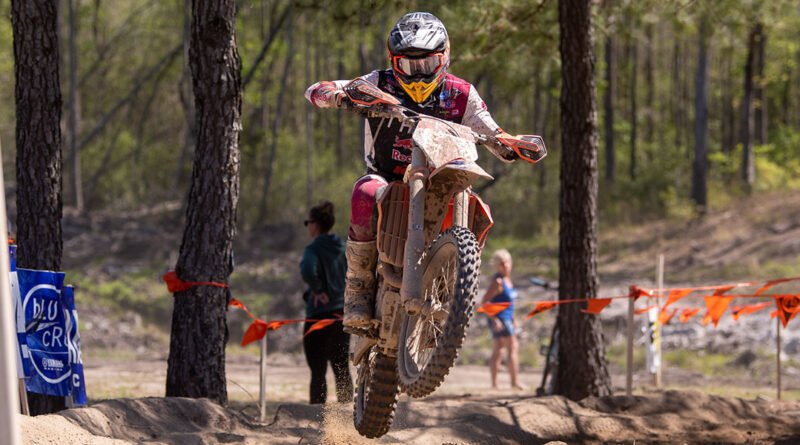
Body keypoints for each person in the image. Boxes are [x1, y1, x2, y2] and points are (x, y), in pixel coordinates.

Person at [305, 12, 520, 331]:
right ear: (394, 61)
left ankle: (455, 293)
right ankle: (358, 289)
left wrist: (511, 144)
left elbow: (492, 130)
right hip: (386, 179)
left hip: (442, 181)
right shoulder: (377, 84)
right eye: (408, 65)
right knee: (364, 192)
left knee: (479, 209)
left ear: (444, 57)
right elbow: (317, 88)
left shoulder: (461, 94)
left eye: (426, 64)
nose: (418, 73)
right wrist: (335, 95)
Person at [299, 201, 353, 404]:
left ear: (315, 224)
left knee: (318, 371)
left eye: (308, 222)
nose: (307, 226)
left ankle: (318, 417)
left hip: (318, 317)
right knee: (341, 369)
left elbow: (307, 270)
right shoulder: (344, 247)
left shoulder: (313, 249)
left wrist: (317, 290)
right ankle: (348, 414)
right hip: (341, 316)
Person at [481, 249, 523, 390]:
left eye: (506, 263)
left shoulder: (508, 281)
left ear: (510, 263)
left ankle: (495, 384)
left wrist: (514, 321)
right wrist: (494, 320)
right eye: (501, 263)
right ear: (497, 265)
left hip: (508, 318)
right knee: (512, 348)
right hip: (499, 318)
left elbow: (510, 305)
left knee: (499, 350)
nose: (504, 266)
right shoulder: (497, 282)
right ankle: (514, 382)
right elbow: (484, 302)